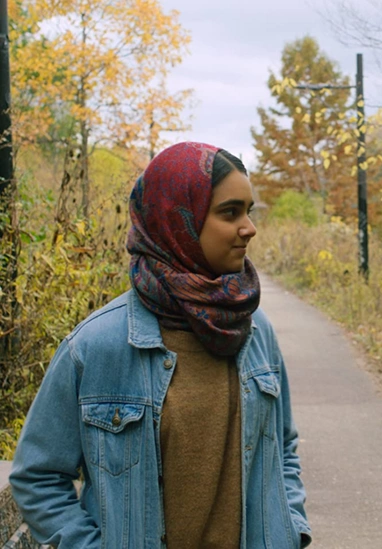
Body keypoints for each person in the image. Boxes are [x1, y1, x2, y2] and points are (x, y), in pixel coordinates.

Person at [10, 142, 311, 548]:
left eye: (248, 211)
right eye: (229, 212)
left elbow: (283, 446)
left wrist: (290, 528)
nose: (249, 227)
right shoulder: (96, 346)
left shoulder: (256, 331)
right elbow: (38, 476)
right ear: (177, 222)